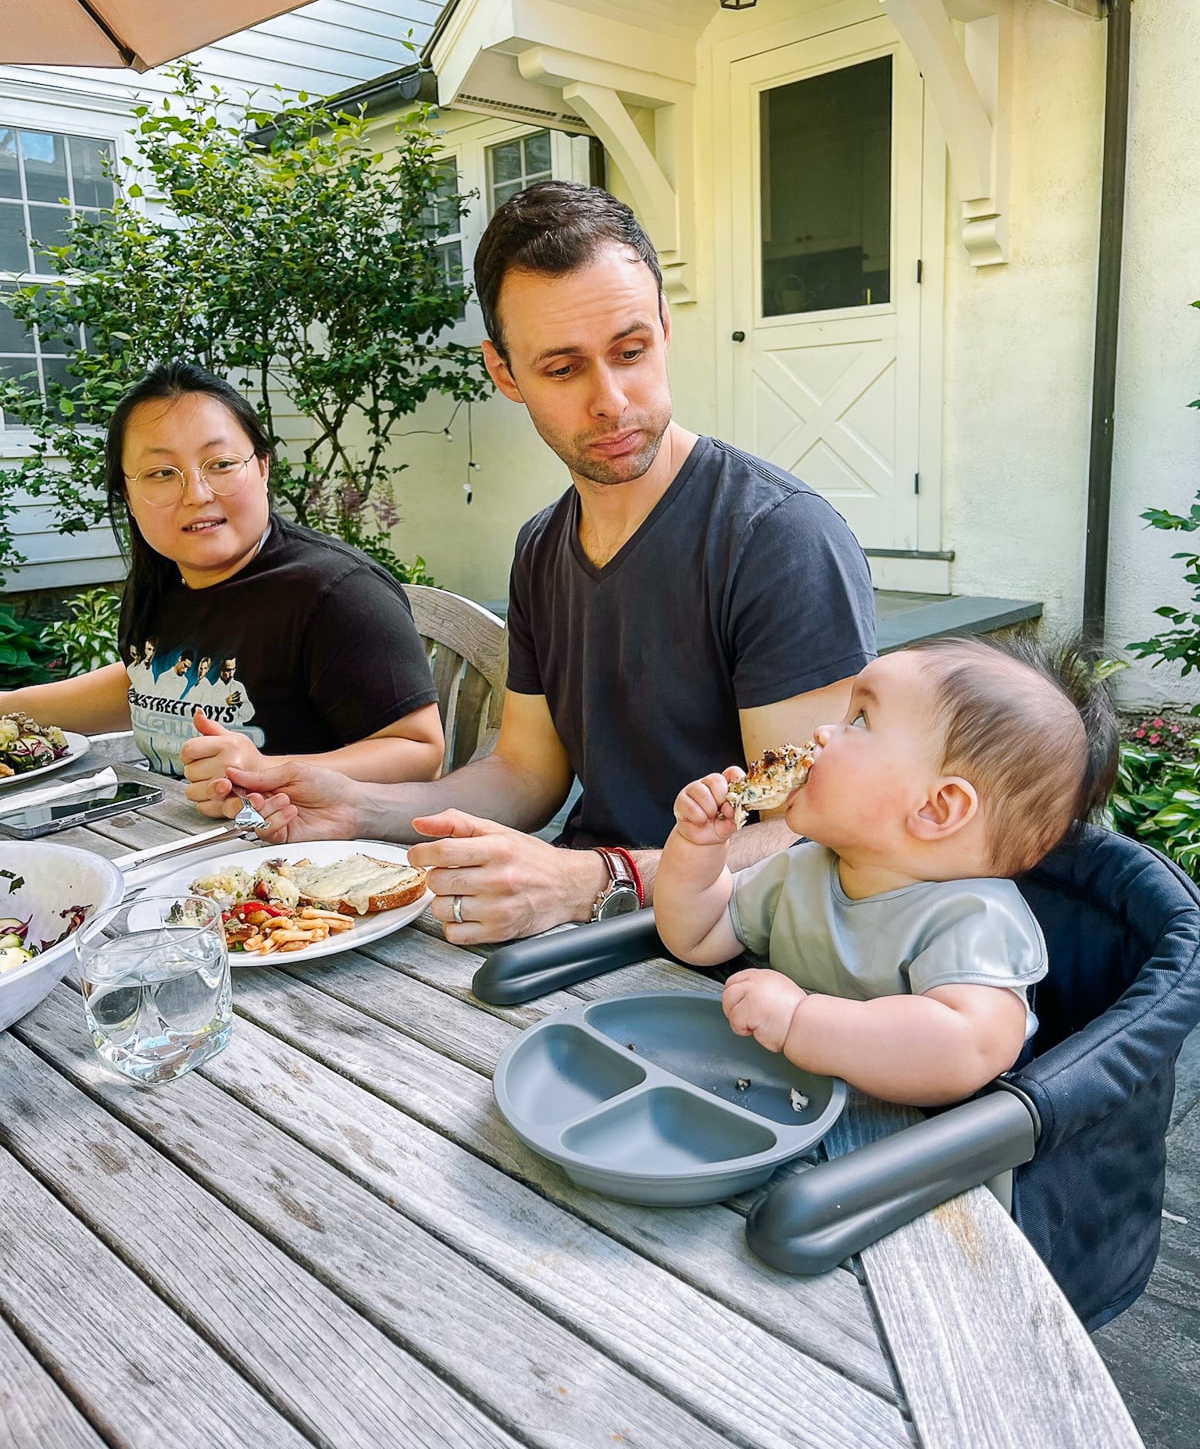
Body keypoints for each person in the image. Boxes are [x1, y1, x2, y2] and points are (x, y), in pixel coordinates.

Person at [231, 181, 877, 942]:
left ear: (666, 328)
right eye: (564, 369)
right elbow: (528, 774)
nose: (611, 399)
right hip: (585, 929)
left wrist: (591, 880)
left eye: (631, 351)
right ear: (504, 373)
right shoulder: (542, 547)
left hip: (743, 961)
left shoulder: (777, 540)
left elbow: (811, 832)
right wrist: (356, 806)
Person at [655, 636, 1119, 1106]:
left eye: (859, 720)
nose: (821, 732)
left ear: (937, 808)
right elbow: (698, 935)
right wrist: (697, 848)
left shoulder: (975, 919)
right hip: (783, 1102)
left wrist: (801, 1020)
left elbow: (968, 1047)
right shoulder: (802, 869)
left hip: (916, 1151)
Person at [0, 361, 444, 791]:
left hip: (313, 854)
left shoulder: (338, 594)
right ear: (127, 495)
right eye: (160, 473)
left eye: (221, 464)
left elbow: (419, 752)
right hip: (178, 835)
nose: (196, 493)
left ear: (263, 467)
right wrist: (10, 708)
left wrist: (266, 769)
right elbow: (148, 678)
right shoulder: (164, 579)